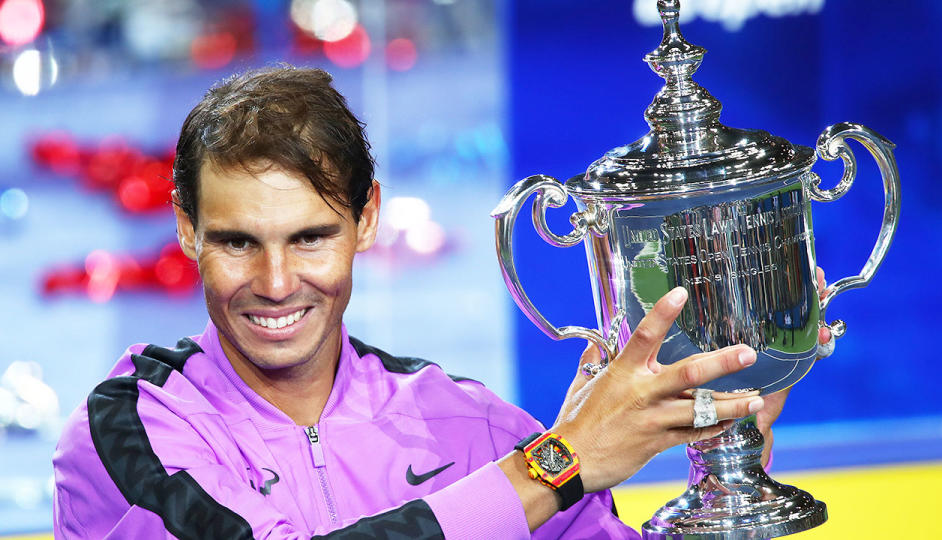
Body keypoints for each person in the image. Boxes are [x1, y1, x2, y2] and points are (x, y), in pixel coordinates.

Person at [52, 66, 827, 539]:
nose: (278, 282)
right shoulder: (131, 430)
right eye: (237, 242)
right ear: (186, 228)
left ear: (367, 219)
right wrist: (557, 465)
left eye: (311, 237)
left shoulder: (471, 424)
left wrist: (725, 467)